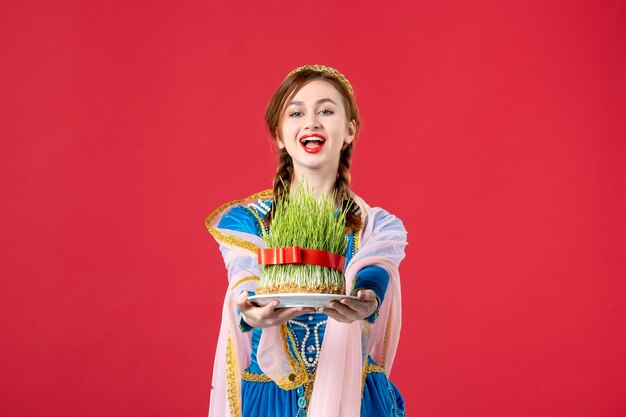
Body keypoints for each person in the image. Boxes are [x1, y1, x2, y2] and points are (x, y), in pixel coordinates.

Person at [205, 65, 408, 417]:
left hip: (356, 399)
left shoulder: (377, 226)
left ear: (348, 131)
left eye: (326, 111)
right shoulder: (247, 222)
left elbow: (373, 273)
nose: (312, 121)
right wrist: (250, 308)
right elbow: (245, 276)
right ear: (280, 134)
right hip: (272, 400)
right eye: (296, 112)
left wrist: (366, 299)